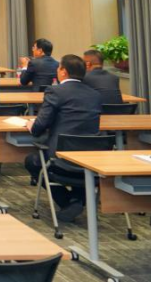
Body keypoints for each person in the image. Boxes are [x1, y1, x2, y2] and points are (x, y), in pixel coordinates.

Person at [24, 54, 102, 220]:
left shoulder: (55, 91)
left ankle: (67, 201)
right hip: (91, 159)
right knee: (82, 170)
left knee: (32, 161)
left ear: (63, 71)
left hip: (61, 158)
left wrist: (32, 125)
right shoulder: (95, 94)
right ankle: (78, 198)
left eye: (58, 68)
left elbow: (40, 125)